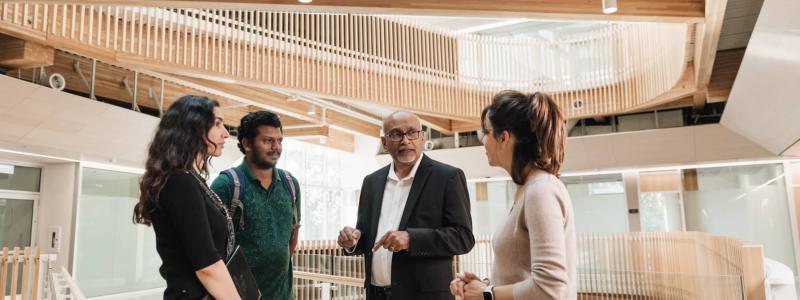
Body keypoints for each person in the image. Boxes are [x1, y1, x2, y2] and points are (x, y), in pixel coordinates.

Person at [449, 90, 577, 300]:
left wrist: (488, 294)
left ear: (504, 138)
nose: (483, 141)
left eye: (486, 133)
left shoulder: (540, 190)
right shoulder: (529, 188)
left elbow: (550, 288)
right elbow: (523, 274)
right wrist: (484, 285)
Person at [337, 111, 475, 300]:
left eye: (412, 133)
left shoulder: (447, 177)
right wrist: (353, 242)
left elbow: (463, 238)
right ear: (385, 142)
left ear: (422, 137)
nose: (405, 140)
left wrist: (411, 239)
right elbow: (366, 236)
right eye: (396, 134)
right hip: (376, 294)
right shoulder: (371, 182)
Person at [133, 95, 240, 300]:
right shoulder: (179, 182)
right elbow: (207, 267)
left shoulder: (189, 179)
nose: (226, 133)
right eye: (217, 124)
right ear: (194, 128)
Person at [210, 111, 301, 300]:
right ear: (247, 143)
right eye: (267, 141)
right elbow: (211, 253)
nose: (276, 147)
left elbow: (292, 237)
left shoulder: (291, 184)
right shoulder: (226, 185)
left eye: (279, 141)